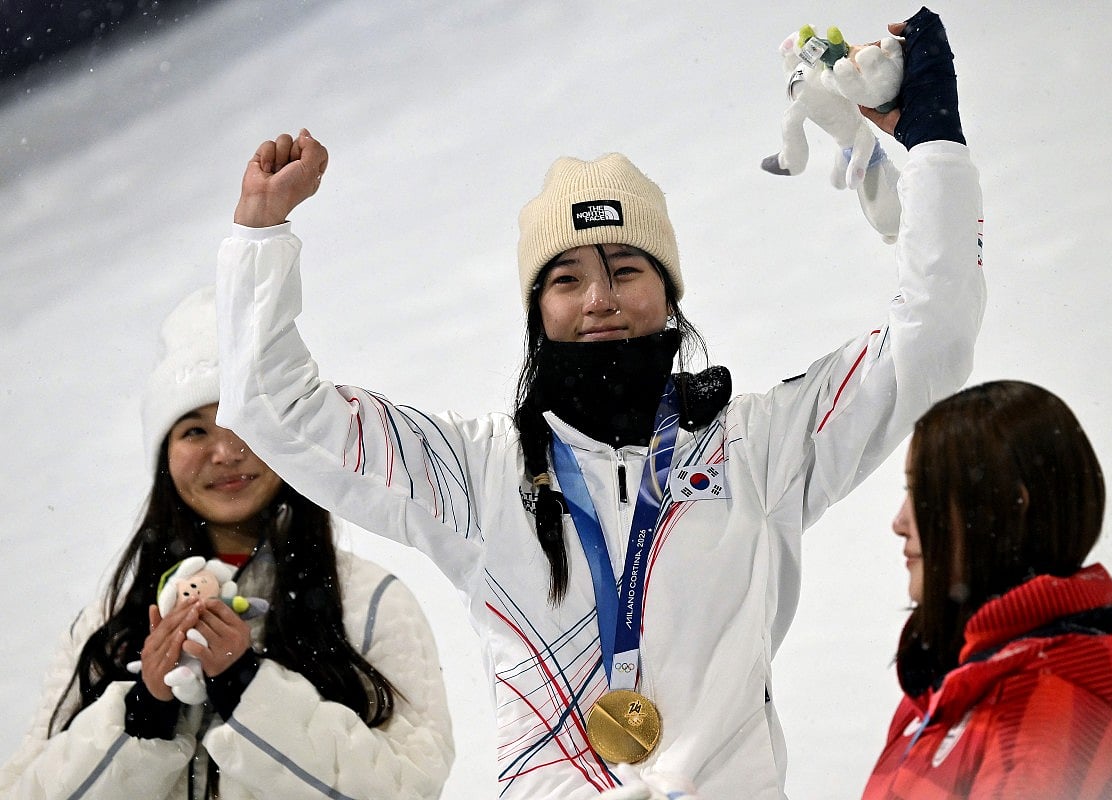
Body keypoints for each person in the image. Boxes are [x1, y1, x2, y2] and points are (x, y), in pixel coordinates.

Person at [214, 8, 984, 797]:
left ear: (669, 291)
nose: (600, 299)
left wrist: (932, 149)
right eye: (566, 277)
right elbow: (275, 409)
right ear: (536, 310)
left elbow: (931, 338)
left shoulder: (758, 446)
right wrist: (259, 238)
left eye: (626, 268)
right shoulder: (477, 475)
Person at [0, 287, 454, 799]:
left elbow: (409, 788)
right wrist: (145, 711)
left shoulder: (370, 602)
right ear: (165, 457)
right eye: (194, 431)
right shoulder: (109, 620)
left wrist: (247, 688)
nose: (224, 452)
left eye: (243, 423)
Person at [863, 380, 1112, 799]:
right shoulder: (972, 670)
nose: (899, 522)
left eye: (923, 493)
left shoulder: (1044, 726)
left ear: (1005, 509)